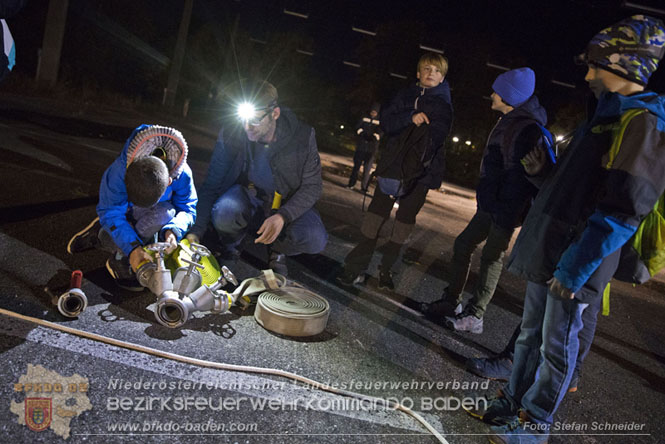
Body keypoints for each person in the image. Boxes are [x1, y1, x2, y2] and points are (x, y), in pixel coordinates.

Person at [469, 16, 665, 444]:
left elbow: (623, 210)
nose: (589, 72)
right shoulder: (608, 116)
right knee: (528, 337)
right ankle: (510, 405)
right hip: (555, 249)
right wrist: (544, 177)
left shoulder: (642, 125)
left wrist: (575, 269)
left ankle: (535, 425)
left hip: (578, 260)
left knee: (556, 348)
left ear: (625, 65)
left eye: (596, 63)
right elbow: (577, 189)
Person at [421, 67, 550, 334]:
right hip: (493, 204)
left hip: (505, 208)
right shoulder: (511, 121)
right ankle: (451, 301)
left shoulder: (526, 129)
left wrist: (503, 207)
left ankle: (475, 315)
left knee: (491, 258)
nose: (492, 94)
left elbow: (520, 176)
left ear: (509, 97)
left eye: (498, 91)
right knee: (464, 244)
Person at [186, 80, 327, 276]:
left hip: (282, 204)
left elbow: (313, 186)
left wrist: (283, 216)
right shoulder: (232, 132)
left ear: (274, 114)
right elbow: (212, 183)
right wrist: (196, 231)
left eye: (255, 120)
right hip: (246, 197)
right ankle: (232, 246)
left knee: (314, 238)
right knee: (224, 211)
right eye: (242, 119)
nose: (247, 127)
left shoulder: (302, 136)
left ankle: (277, 250)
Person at [337, 53, 453, 290]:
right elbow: (388, 122)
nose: (431, 73)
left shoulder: (444, 104)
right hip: (392, 168)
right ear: (418, 73)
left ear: (442, 78)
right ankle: (356, 268)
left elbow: (437, 136)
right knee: (373, 220)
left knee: (402, 226)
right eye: (426, 68)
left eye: (437, 70)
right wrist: (411, 116)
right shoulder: (404, 95)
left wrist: (418, 118)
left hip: (419, 175)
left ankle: (387, 269)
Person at [67, 125, 197, 291]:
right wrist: (133, 249)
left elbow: (188, 208)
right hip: (123, 209)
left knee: (167, 213)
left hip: (153, 211)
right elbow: (110, 211)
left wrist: (173, 231)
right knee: (120, 228)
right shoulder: (118, 171)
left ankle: (105, 236)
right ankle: (115, 250)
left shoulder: (182, 174)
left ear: (169, 182)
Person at [347, 103, 382, 192]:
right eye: (372, 111)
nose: (373, 113)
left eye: (375, 112)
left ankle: (364, 188)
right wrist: (362, 134)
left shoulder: (380, 121)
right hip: (361, 146)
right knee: (356, 167)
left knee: (367, 169)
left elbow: (380, 132)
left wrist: (374, 137)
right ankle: (351, 184)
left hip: (371, 149)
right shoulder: (364, 117)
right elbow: (357, 127)